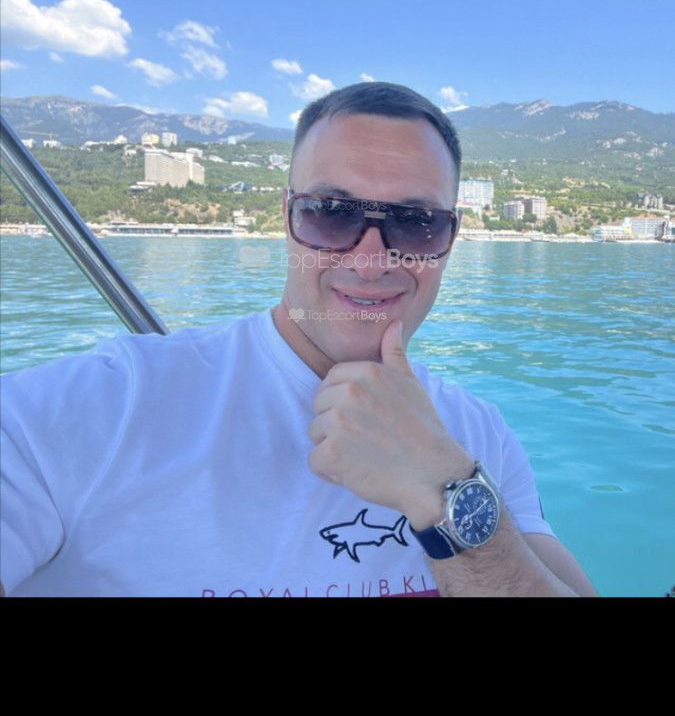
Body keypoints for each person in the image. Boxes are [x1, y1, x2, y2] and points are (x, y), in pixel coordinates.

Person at [0, 82, 596, 597]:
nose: (371, 260)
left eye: (416, 222)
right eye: (332, 211)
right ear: (288, 218)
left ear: (449, 238)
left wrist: (445, 488)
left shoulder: (478, 435)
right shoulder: (101, 408)